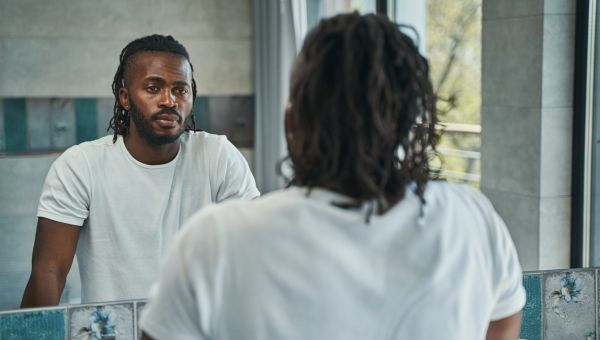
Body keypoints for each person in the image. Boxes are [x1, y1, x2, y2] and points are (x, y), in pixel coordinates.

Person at [140, 13, 525, 340]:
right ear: (412, 123)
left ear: (292, 123)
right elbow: (504, 321)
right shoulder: (472, 220)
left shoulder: (218, 242)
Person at [20, 34, 260, 307]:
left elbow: (253, 257)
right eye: (153, 88)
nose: (169, 100)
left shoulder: (218, 156)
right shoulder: (80, 166)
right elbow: (48, 273)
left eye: (180, 90)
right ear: (125, 97)